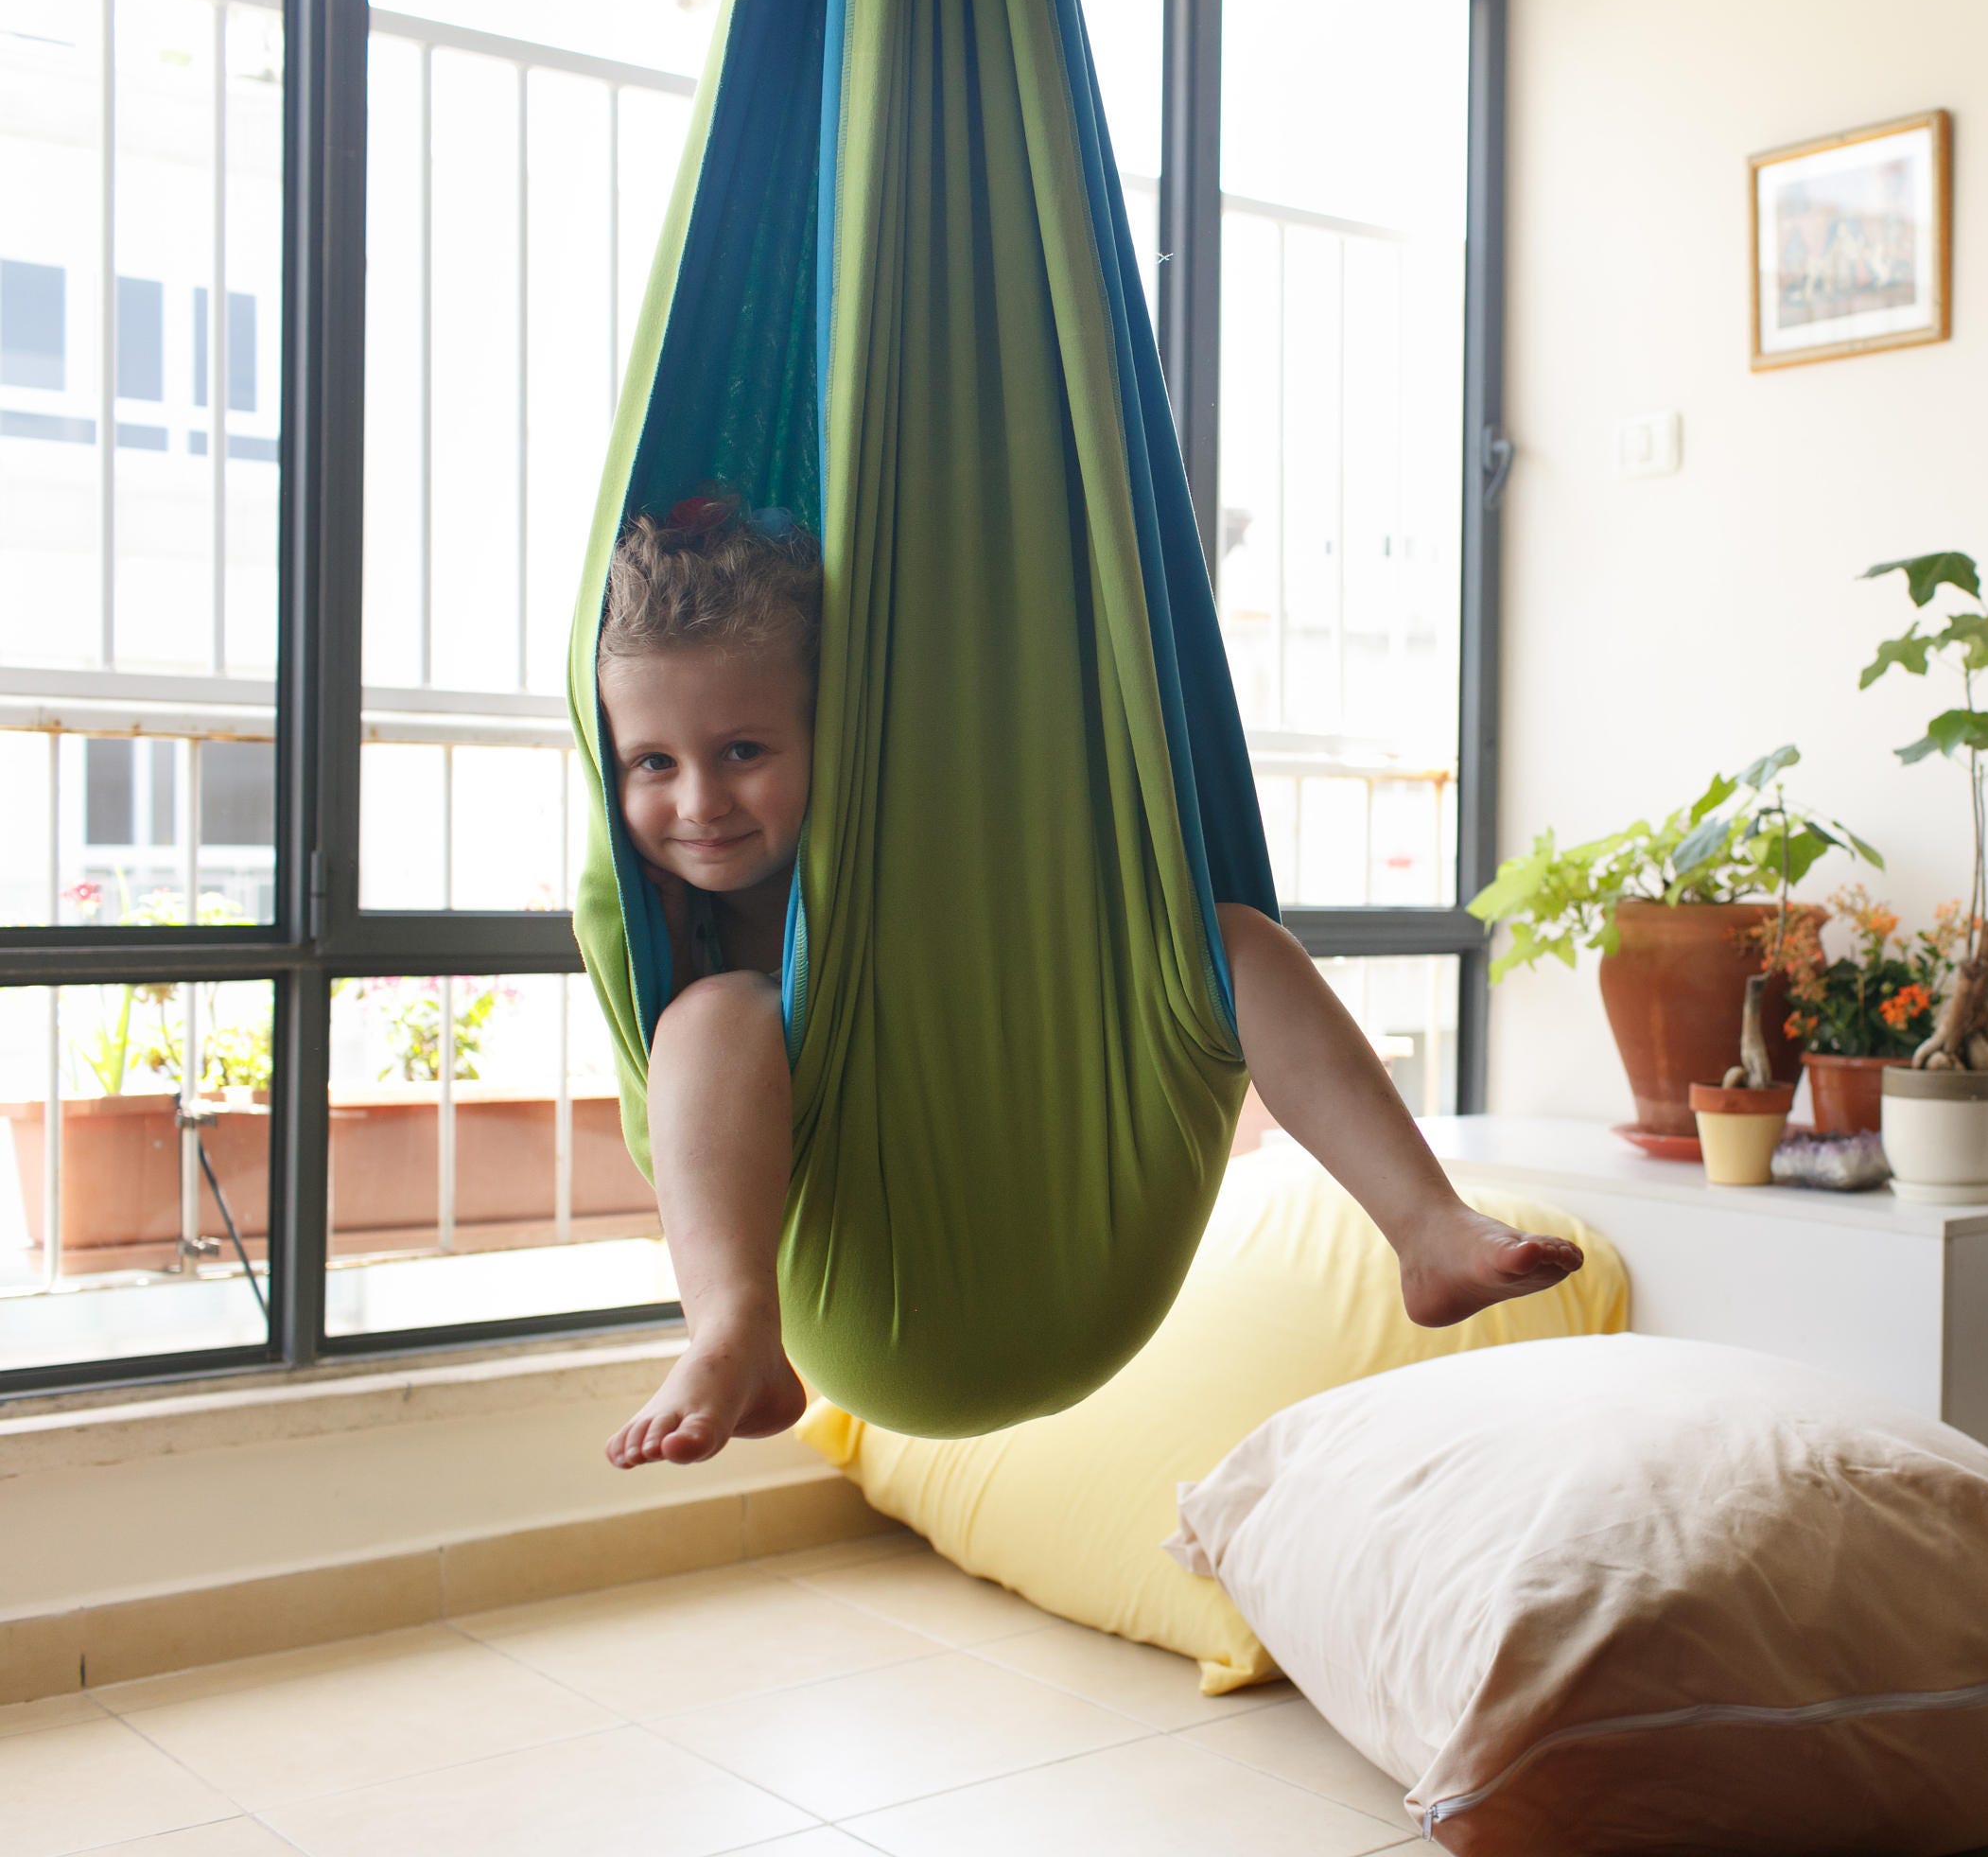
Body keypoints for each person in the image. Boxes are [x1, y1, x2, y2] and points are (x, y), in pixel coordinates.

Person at [595, 497, 1581, 1468]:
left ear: (841, 743)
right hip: (857, 1232)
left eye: (742, 751)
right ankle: (732, 1333)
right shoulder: (670, 921)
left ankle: (1426, 1225)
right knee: (709, 1014)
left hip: (1038, 1142)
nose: (698, 800)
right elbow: (677, 1118)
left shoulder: (903, 833)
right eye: (651, 761)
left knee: (1235, 940)